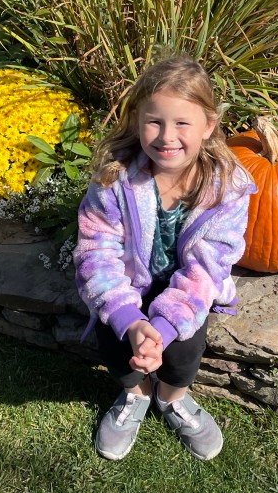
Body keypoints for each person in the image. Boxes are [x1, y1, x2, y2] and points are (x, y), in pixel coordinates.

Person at [74, 55, 255, 462]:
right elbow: (95, 252)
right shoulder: (114, 180)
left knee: (185, 348)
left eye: (182, 123)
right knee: (115, 338)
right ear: (137, 120)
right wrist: (131, 321)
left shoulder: (227, 188)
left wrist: (163, 328)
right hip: (127, 281)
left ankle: (172, 397)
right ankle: (136, 393)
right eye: (154, 122)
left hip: (189, 285)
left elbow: (208, 266)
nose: (167, 137)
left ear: (208, 125)